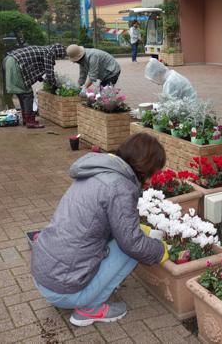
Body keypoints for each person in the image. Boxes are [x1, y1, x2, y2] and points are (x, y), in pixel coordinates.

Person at [31, 133, 169, 326]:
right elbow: (132, 244)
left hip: (45, 276)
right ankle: (91, 309)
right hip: (63, 290)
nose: (153, 180)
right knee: (133, 247)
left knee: (131, 237)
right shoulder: (120, 187)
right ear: (144, 167)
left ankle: (87, 293)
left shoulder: (97, 171)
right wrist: (161, 250)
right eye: (154, 172)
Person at [4, 43, 66, 129]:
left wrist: (41, 79)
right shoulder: (49, 53)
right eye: (58, 56)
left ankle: (26, 119)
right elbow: (49, 73)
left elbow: (32, 65)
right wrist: (54, 85)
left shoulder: (43, 49)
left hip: (9, 60)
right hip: (15, 63)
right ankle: (30, 121)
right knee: (27, 95)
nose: (56, 58)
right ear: (57, 53)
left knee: (22, 94)